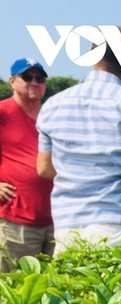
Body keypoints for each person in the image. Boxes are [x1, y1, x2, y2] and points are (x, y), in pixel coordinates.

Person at [36, 26, 121, 253]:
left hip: (68, 225)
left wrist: (80, 173)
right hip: (120, 224)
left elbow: (44, 168)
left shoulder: (52, 106)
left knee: (72, 289)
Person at [0, 58, 53, 271]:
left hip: (55, 218)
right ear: (12, 81)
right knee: (12, 289)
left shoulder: (52, 115)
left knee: (54, 291)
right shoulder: (2, 112)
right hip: (15, 219)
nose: (34, 82)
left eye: (39, 78)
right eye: (27, 77)